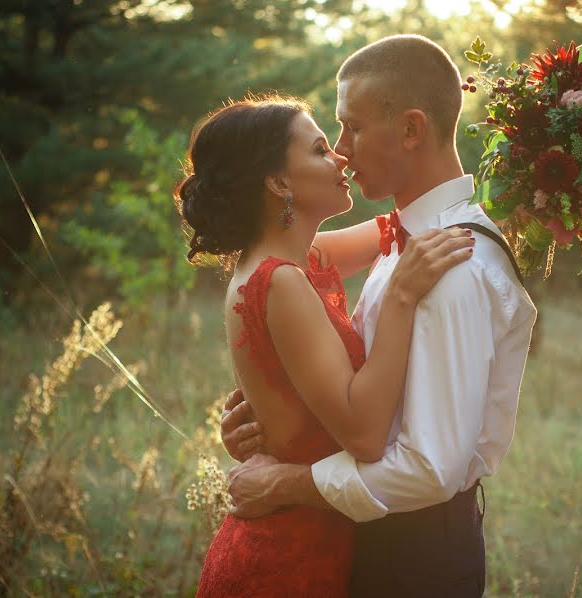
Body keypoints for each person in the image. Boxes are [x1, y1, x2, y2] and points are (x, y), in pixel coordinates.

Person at [222, 35, 538, 597]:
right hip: (364, 543)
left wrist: (285, 483)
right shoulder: (406, 239)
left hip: (411, 561)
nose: (341, 151)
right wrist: (277, 414)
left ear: (412, 130)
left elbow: (428, 468)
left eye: (351, 128)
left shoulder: (450, 266)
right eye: (328, 140)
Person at [174, 94, 476, 597]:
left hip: (317, 545)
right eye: (319, 149)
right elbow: (362, 436)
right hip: (286, 562)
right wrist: (401, 295)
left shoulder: (293, 260)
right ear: (279, 183)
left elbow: (403, 225)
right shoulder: (281, 282)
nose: (339, 157)